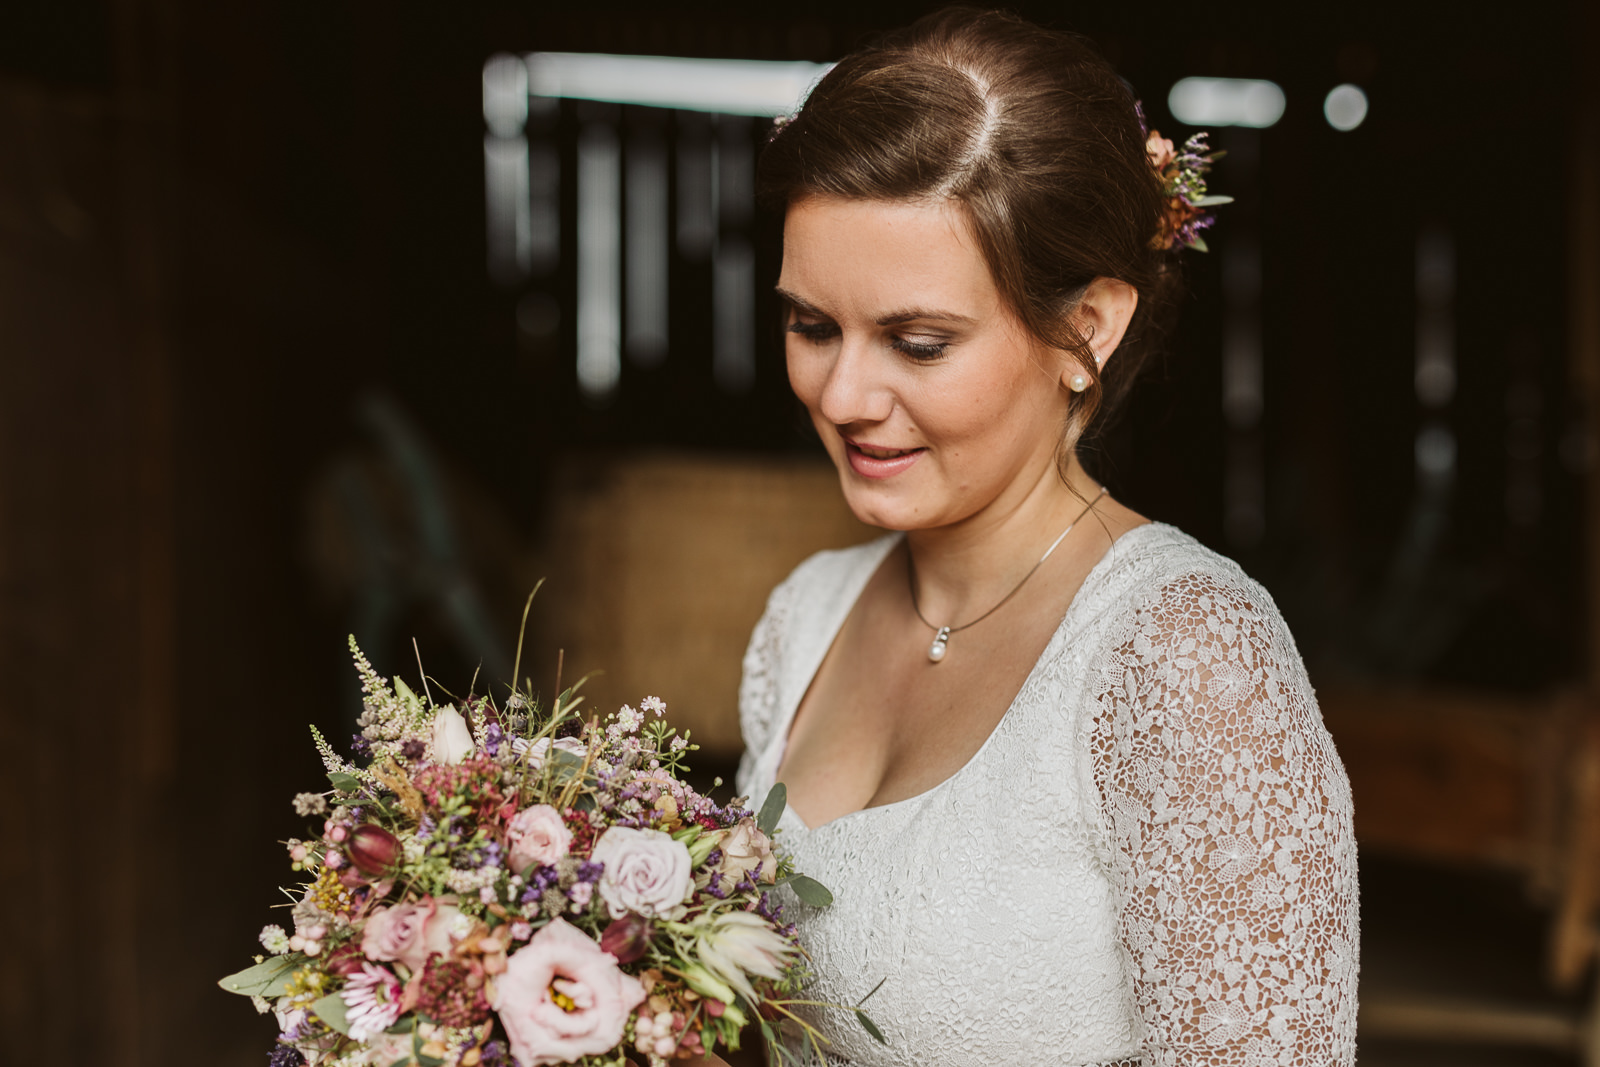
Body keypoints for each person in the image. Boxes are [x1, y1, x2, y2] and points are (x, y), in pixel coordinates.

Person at [728, 8, 1359, 1067]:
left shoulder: (1184, 658)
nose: (842, 393)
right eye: (811, 326)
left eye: (916, 342)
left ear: (1087, 328)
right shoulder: (806, 615)